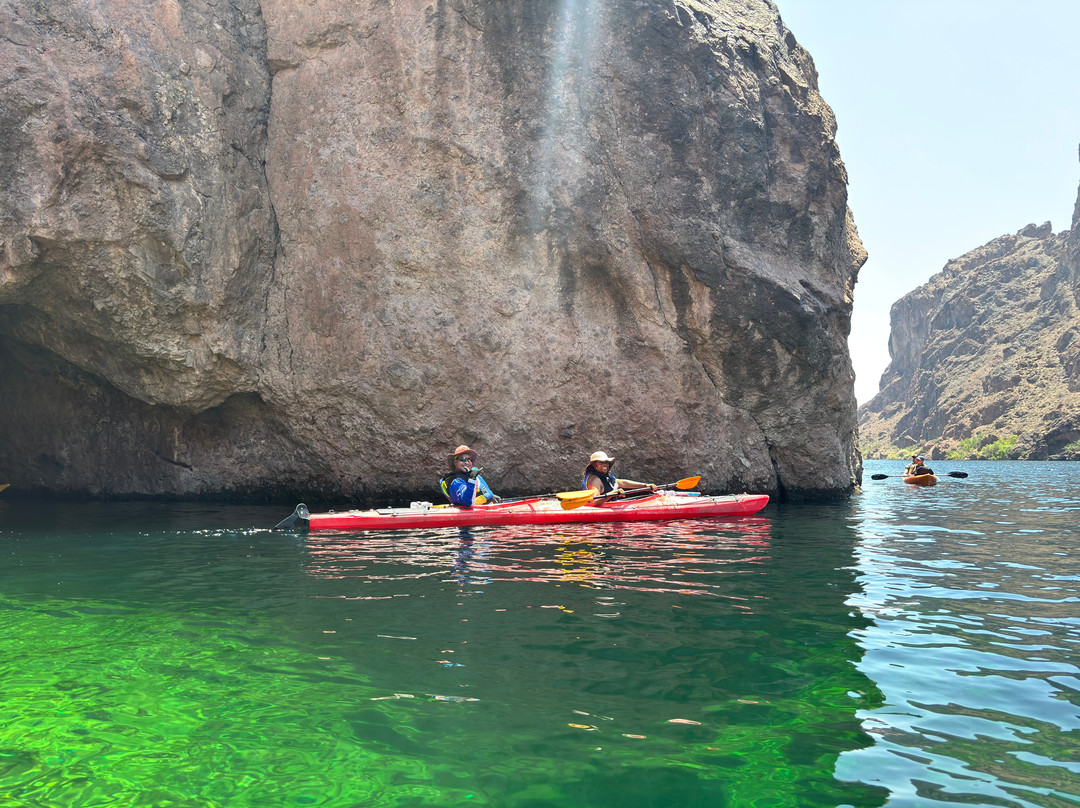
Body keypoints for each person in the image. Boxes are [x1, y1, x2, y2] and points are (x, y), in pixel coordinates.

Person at [581, 450, 656, 503]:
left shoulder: (605, 477)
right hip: (603, 517)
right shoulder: (595, 480)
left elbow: (623, 483)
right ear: (594, 465)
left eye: (607, 462)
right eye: (601, 462)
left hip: (612, 507)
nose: (605, 465)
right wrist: (614, 492)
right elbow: (595, 501)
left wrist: (645, 485)